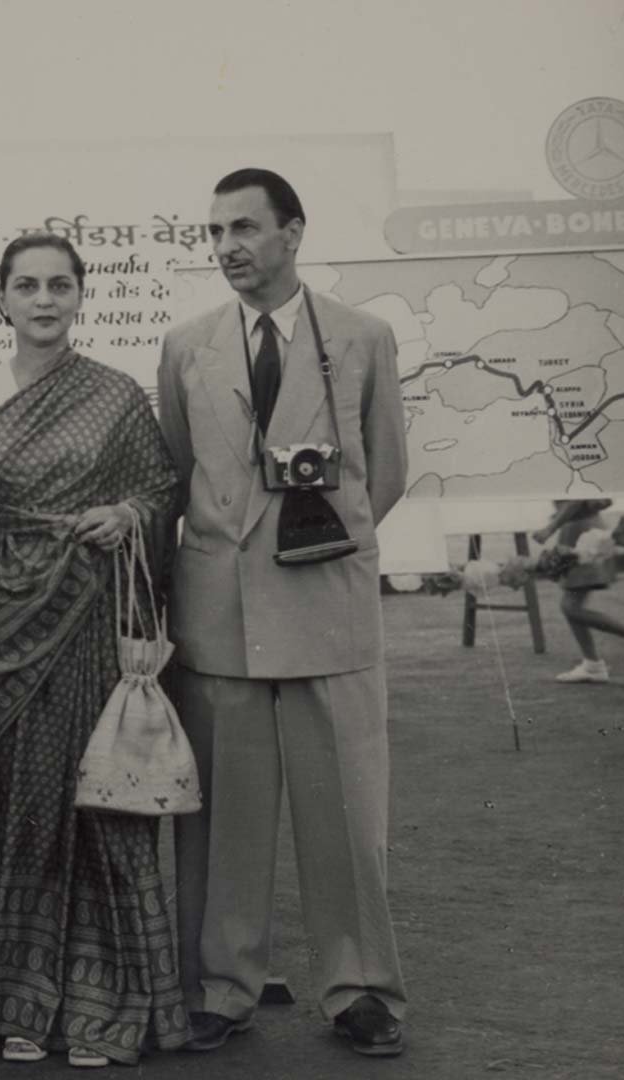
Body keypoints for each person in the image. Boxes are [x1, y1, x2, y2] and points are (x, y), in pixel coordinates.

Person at [157, 168, 409, 1058]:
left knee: (345, 815)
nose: (227, 247)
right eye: (215, 231)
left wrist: (315, 545)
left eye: (245, 229)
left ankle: (362, 991)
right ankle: (222, 987)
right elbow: (186, 474)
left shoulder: (364, 337)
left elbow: (385, 473)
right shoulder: (186, 347)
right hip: (219, 621)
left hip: (327, 614)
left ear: (293, 233)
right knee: (223, 817)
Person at [0, 234, 186, 1068]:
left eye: (60, 286)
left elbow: (159, 490)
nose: (44, 300)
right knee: (4, 804)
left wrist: (127, 514)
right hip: (1, 623)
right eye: (28, 286)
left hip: (86, 616)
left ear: (81, 298)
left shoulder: (114, 396)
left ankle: (100, 1008)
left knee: (94, 801)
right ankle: (7, 1002)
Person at [534, 499, 624, 682]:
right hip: (579, 530)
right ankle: (593, 664)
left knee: (570, 606)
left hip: (583, 534)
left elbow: (576, 500)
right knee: (571, 603)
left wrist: (550, 528)